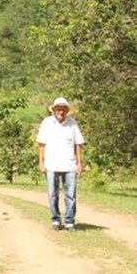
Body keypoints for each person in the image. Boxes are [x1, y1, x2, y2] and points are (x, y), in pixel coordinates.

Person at [36, 97, 85, 231]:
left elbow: (78, 144)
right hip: (51, 164)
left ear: (66, 110)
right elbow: (41, 144)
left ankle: (69, 222)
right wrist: (41, 162)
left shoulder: (72, 124)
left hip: (69, 165)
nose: (61, 112)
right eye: (58, 109)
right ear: (54, 110)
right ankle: (56, 220)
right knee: (52, 194)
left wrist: (79, 164)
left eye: (63, 109)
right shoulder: (46, 123)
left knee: (70, 195)